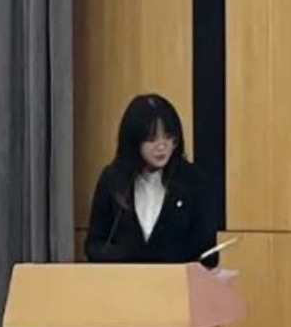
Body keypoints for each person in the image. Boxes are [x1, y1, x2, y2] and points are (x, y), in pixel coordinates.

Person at [84, 93, 221, 268]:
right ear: (134, 141)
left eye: (168, 137)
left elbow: (208, 254)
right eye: (152, 139)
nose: (162, 146)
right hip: (126, 281)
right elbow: (93, 246)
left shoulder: (194, 181)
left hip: (176, 282)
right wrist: (122, 255)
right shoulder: (113, 179)